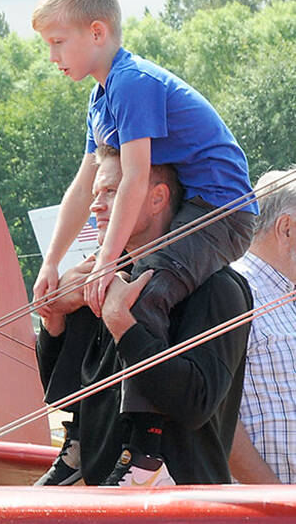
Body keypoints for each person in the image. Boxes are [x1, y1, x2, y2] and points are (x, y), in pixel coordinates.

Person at [31, 0, 256, 481]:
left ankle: (147, 451)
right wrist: (54, 264)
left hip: (220, 208)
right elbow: (80, 185)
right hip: (190, 205)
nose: (52, 57)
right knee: (86, 288)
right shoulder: (101, 98)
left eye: (57, 42)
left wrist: (107, 262)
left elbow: (133, 178)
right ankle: (78, 443)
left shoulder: (133, 82)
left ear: (96, 32)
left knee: (140, 294)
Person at [36, 144, 250, 486]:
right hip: (109, 501)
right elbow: (66, 394)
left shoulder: (217, 287)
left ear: (156, 198)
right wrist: (55, 317)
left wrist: (125, 326)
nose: (95, 205)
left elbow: (195, 404)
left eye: (111, 191)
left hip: (181, 507)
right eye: (95, 193)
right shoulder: (107, 278)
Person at [230, 168, 296, 483]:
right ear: (286, 229)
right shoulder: (232, 291)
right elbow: (217, 418)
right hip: (268, 510)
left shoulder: (287, 297)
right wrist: (275, 500)